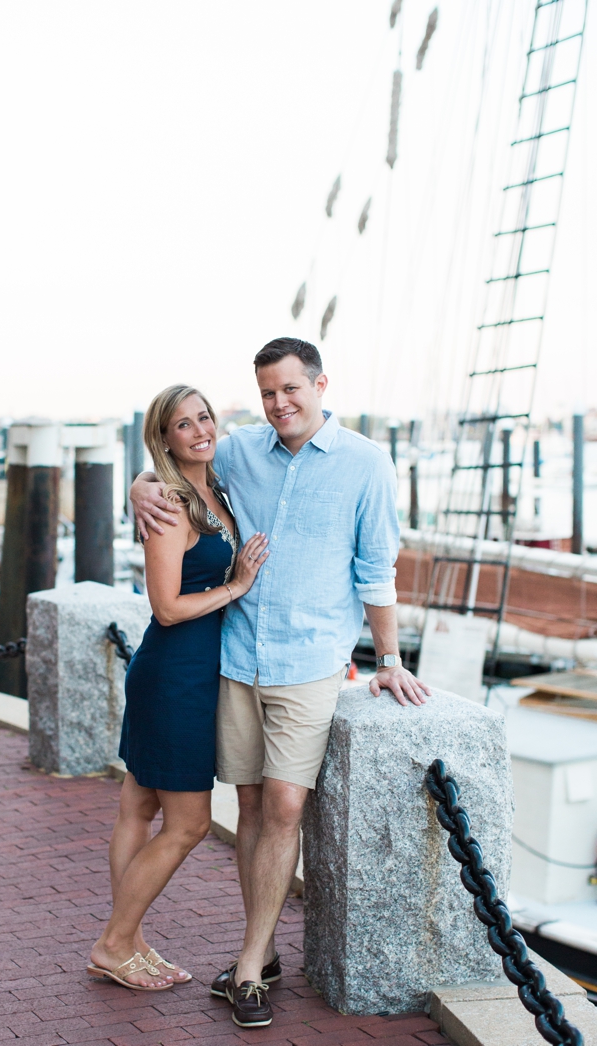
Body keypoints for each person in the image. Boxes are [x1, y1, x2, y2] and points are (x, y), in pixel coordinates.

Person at [131, 338, 430, 1027]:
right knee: (254, 807)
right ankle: (259, 954)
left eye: (290, 389)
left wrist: (388, 659)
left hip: (310, 662)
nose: (279, 404)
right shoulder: (240, 450)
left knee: (288, 805)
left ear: (321, 384)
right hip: (238, 658)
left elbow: (377, 569)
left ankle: (248, 966)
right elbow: (175, 464)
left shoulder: (366, 463)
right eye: (268, 392)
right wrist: (139, 486)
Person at [87, 385, 268, 992]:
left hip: (179, 670)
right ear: (164, 437)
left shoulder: (208, 487)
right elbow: (165, 607)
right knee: (187, 824)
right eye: (182, 424)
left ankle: (129, 937)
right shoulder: (168, 501)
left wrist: (140, 480)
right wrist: (235, 587)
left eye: (205, 417)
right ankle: (114, 942)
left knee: (137, 807)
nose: (199, 430)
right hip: (176, 675)